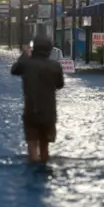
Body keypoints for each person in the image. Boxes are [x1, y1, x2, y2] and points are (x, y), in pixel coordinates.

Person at [11, 35, 64, 163]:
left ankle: (34, 165)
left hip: (31, 111)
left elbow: (14, 70)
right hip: (49, 113)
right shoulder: (55, 66)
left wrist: (25, 54)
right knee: (45, 146)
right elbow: (60, 85)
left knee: (32, 146)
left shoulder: (27, 64)